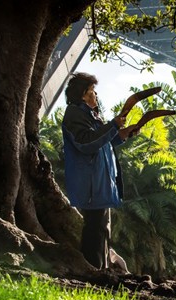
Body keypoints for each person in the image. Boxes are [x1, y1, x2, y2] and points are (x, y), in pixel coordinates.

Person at [62, 72, 136, 272]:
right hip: (90, 182)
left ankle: (101, 270)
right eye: (93, 91)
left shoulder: (90, 115)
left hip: (100, 181)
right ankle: (93, 271)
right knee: (95, 229)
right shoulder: (74, 113)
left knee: (102, 227)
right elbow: (85, 143)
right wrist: (112, 125)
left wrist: (122, 134)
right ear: (83, 94)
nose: (96, 96)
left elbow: (103, 142)